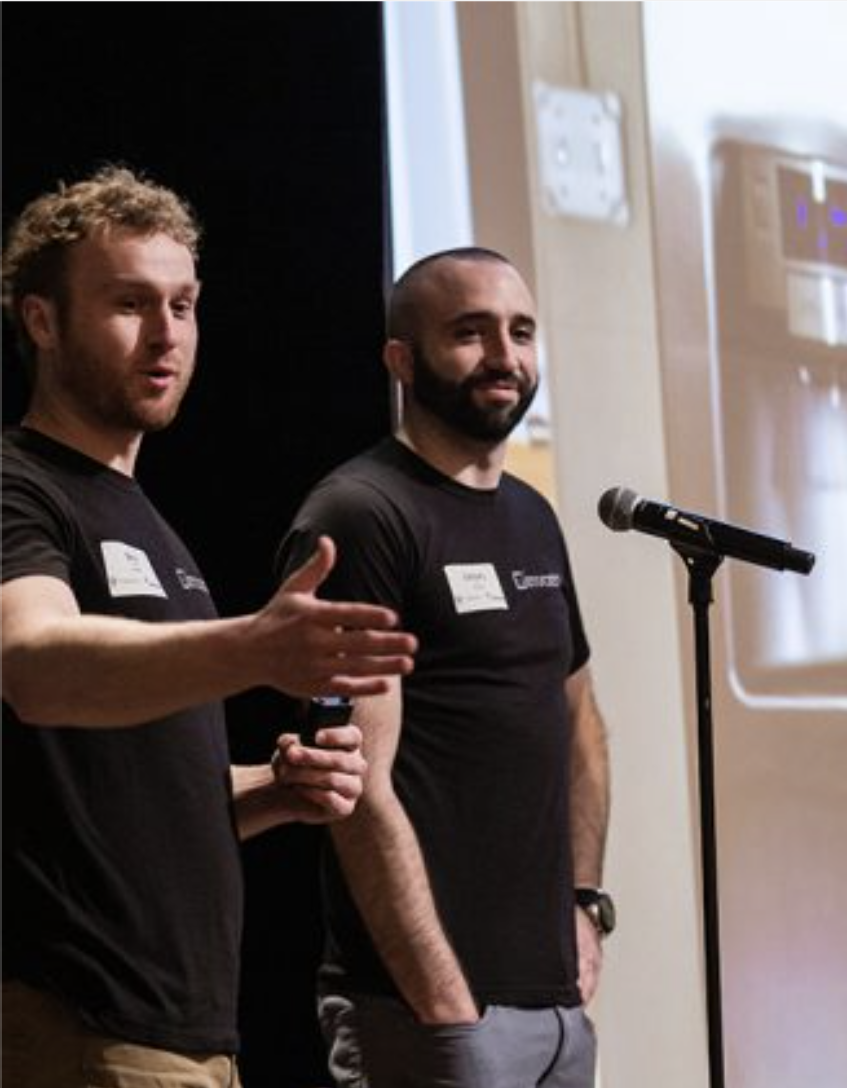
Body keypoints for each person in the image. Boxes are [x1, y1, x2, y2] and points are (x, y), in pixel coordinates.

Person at [1, 165, 418, 1088]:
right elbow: (33, 666)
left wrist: (277, 787)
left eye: (184, 305)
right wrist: (254, 646)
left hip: (187, 1033)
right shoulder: (18, 489)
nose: (166, 335)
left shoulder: (146, 519)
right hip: (84, 1024)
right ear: (40, 321)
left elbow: (129, 799)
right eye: (130, 304)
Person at [277, 247, 613, 1088]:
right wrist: (440, 995)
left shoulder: (533, 516)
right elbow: (358, 782)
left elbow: (579, 722)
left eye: (521, 332)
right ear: (402, 360)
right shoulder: (362, 515)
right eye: (470, 332)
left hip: (555, 1010)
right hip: (424, 1012)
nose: (504, 356)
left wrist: (584, 904)